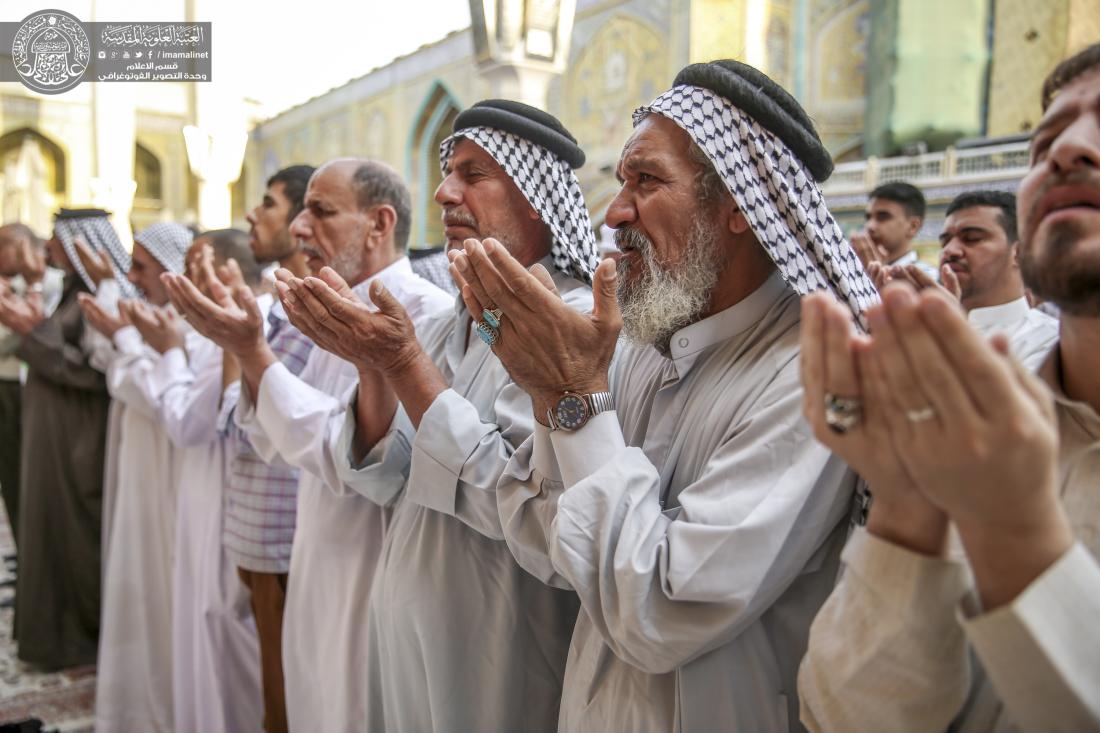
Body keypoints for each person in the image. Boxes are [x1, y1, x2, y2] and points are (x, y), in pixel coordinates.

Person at [451, 61, 875, 731]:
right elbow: (538, 537)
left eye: (645, 181)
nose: (615, 212)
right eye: (621, 182)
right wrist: (549, 393)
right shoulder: (638, 345)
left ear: (738, 202)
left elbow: (657, 612)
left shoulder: (810, 374)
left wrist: (574, 397)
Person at [798, 41, 1100, 732]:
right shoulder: (973, 424)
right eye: (1045, 140)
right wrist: (908, 505)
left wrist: (1012, 531)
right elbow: (844, 714)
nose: (1068, 149)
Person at [278, 100, 597, 732]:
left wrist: (400, 363)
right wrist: (371, 363)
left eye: (474, 175)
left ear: (537, 196)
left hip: (496, 639)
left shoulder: (574, 324)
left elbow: (520, 502)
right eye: (448, 172)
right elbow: (384, 476)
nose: (445, 192)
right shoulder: (464, 315)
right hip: (406, 622)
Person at [163, 158, 452, 731]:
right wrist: (247, 352)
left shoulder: (426, 315)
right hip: (315, 552)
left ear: (379, 223)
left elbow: (354, 457)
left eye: (320, 212)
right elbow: (277, 441)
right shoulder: (335, 304)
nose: (299, 228)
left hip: (372, 571)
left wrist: (253, 354)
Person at [77, 221, 195, 732]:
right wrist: (122, 338)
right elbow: (114, 363)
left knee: (160, 588)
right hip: (142, 470)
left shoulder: (187, 323)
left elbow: (154, 391)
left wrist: (124, 339)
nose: (132, 276)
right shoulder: (162, 316)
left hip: (169, 479)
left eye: (141, 267)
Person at [7, 209, 131, 668]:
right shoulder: (75, 294)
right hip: (54, 433)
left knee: (75, 534)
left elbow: (96, 374)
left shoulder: (100, 298)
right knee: (49, 528)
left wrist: (31, 331)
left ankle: (81, 638)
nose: (48, 249)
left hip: (78, 437)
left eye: (57, 241)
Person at [226, 164, 316, 733]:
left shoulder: (308, 308)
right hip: (262, 521)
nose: (251, 215)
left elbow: (294, 417)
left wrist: (240, 349)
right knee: (276, 690)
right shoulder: (278, 304)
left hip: (290, 532)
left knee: (294, 693)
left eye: (268, 204)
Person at [0, 223, 61, 546]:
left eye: (3, 247)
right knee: (11, 476)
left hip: (34, 393)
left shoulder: (53, 285)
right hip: (6, 390)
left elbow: (39, 336)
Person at [852, 181, 939, 280]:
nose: (869, 226)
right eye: (868, 218)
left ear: (913, 226)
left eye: (883, 217)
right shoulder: (855, 270)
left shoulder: (927, 278)